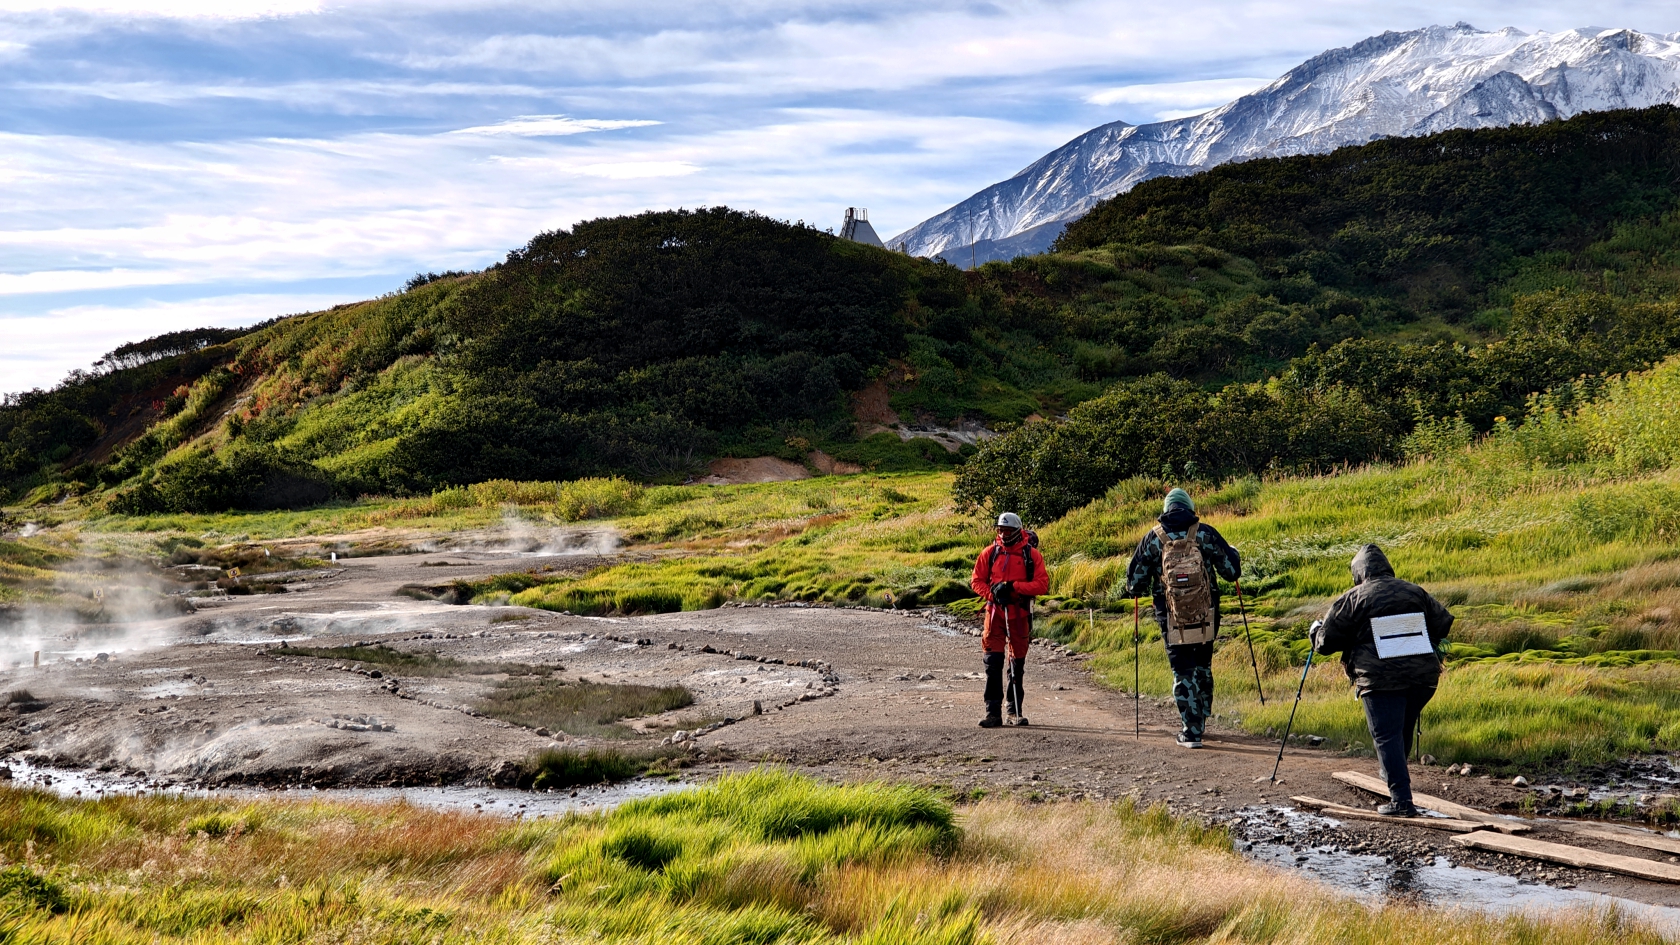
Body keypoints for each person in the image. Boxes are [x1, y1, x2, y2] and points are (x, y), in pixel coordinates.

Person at [1311, 544, 1454, 816]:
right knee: (1400, 732)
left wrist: (1315, 631)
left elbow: (1325, 643)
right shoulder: (1415, 591)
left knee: (1386, 737)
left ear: (1358, 573)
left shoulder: (1353, 598)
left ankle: (1401, 801)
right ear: (1387, 567)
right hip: (1423, 678)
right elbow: (1442, 624)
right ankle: (1393, 779)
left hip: (1378, 680)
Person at [1123, 488, 1241, 748]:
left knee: (1182, 668)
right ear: (1189, 507)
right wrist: (1233, 553)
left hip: (1170, 615)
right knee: (1202, 664)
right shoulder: (1205, 533)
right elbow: (1232, 572)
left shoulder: (1153, 539)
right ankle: (1202, 718)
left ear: (1166, 510)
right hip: (1206, 611)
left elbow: (1133, 585)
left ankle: (1191, 731)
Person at [969, 512, 1049, 728]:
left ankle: (1015, 713)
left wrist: (1013, 586)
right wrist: (993, 593)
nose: (1002, 534)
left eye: (1006, 530)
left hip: (1019, 614)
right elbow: (976, 581)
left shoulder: (1031, 555)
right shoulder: (990, 553)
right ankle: (993, 714)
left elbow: (1042, 585)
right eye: (999, 529)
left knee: (1016, 665)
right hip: (994, 614)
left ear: (1016, 531)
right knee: (992, 664)